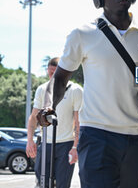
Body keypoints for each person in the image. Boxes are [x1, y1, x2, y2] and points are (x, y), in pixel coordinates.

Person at [40, 0, 138, 188]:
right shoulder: (83, 34)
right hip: (97, 136)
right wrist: (48, 107)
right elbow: (60, 78)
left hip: (137, 137)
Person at [26, 57, 83, 188]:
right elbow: (33, 117)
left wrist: (75, 147)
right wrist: (30, 140)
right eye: (50, 72)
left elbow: (78, 121)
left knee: (63, 184)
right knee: (42, 183)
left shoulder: (76, 90)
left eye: (55, 72)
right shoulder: (42, 89)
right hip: (45, 143)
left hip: (66, 145)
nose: (52, 76)